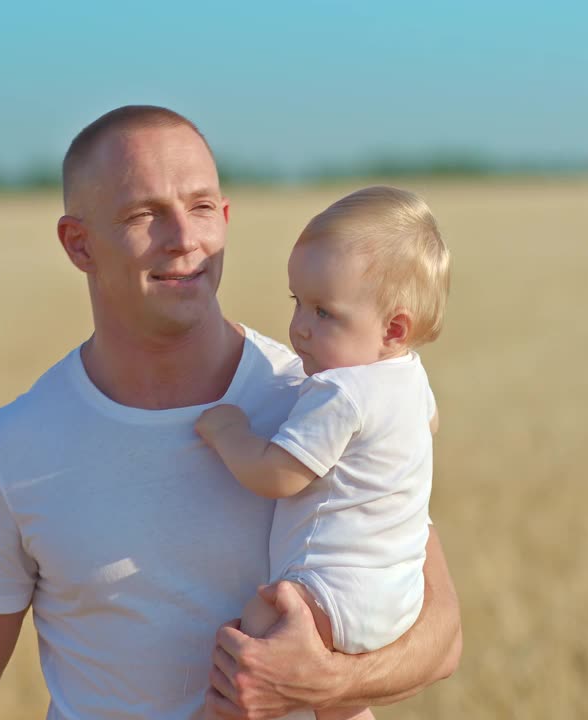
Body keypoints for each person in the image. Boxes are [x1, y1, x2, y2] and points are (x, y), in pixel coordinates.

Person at [0, 105, 462, 720]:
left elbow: (440, 636)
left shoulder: (322, 394)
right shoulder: (13, 449)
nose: (183, 239)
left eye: (200, 207)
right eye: (144, 213)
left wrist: (322, 682)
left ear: (224, 219)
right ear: (78, 243)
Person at [194, 186, 449, 720]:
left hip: (331, 591)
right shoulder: (409, 377)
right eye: (297, 303)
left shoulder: (340, 393)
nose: (300, 328)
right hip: (396, 597)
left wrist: (228, 432)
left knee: (255, 640)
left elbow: (276, 475)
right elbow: (429, 424)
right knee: (340, 707)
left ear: (393, 328)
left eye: (325, 313)